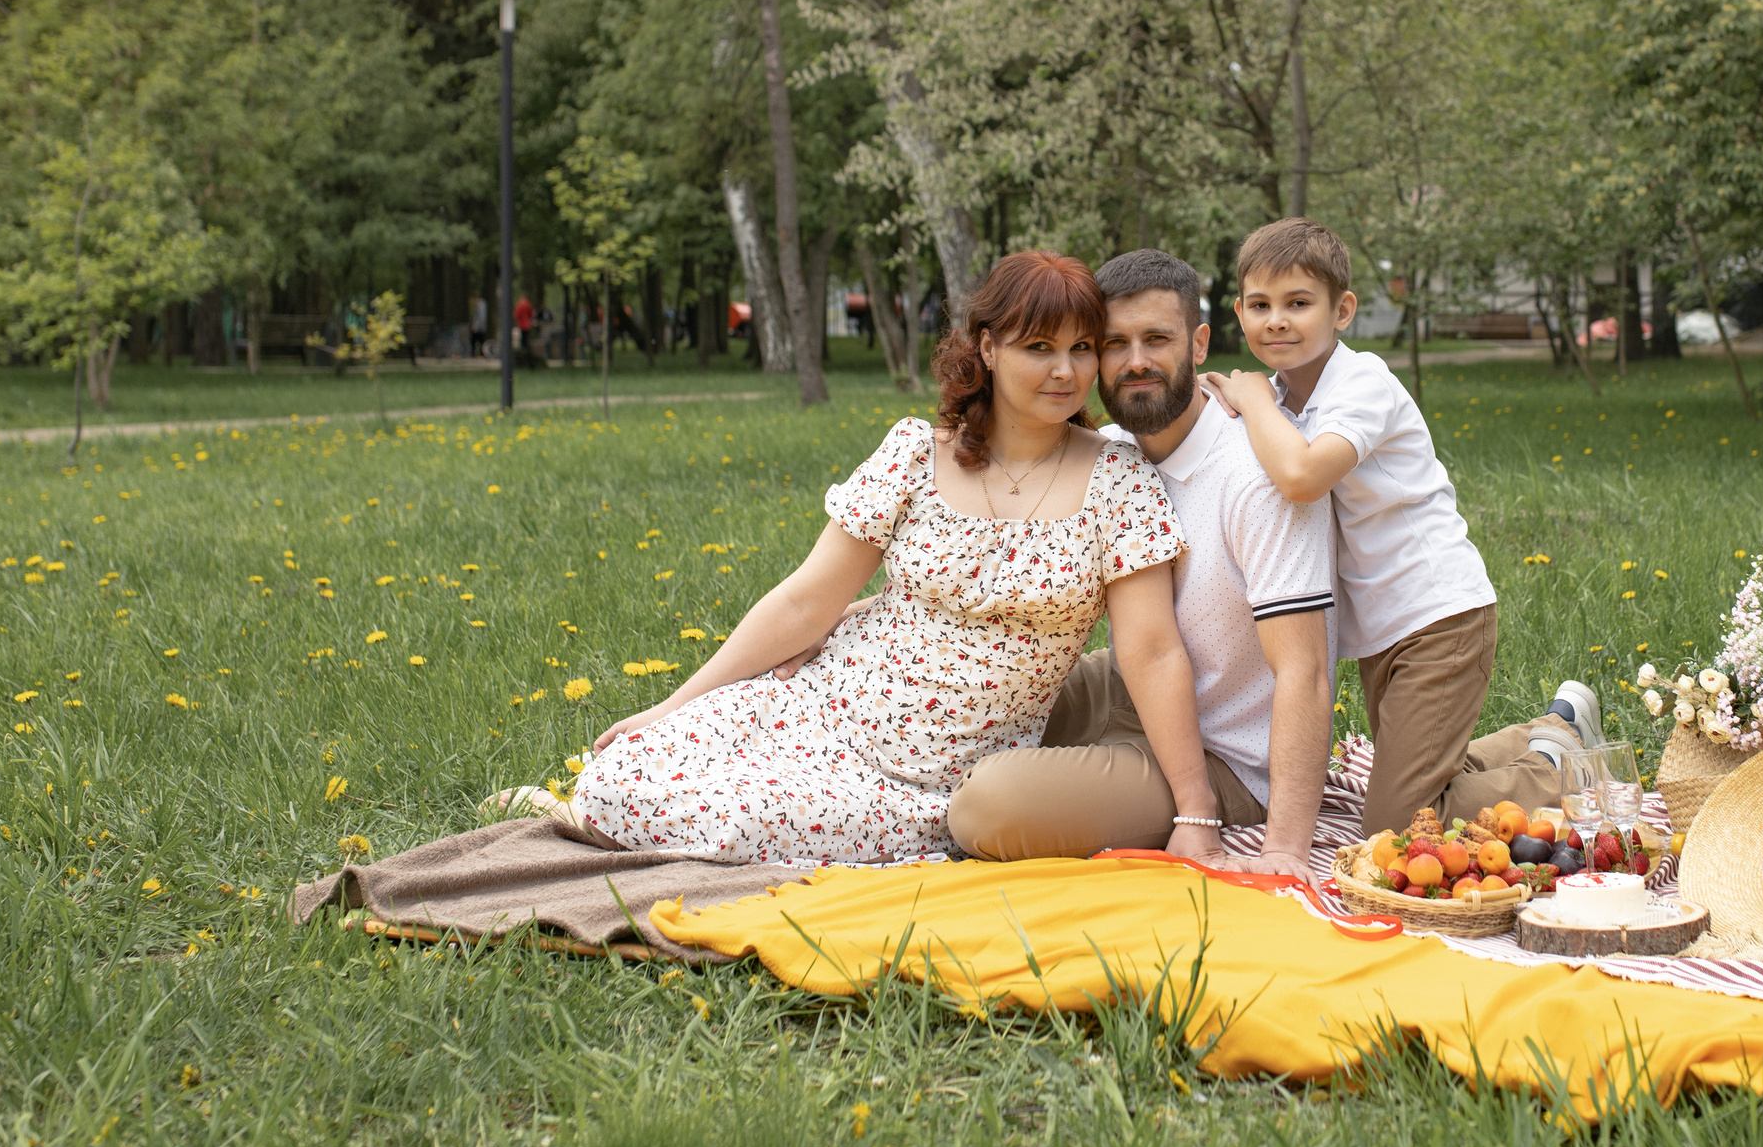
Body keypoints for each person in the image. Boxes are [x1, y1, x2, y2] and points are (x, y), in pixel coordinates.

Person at [489, 251, 1225, 865]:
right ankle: (594, 805)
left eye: (1081, 349)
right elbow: (806, 598)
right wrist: (674, 703)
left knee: (733, 818)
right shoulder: (915, 454)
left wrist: (1195, 810)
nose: (1064, 371)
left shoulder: (1119, 481)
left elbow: (1152, 649)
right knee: (629, 764)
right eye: (1039, 348)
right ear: (989, 348)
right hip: (828, 700)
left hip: (933, 776)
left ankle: (597, 817)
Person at [947, 249, 1338, 880]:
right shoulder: (1114, 453)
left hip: (1224, 755)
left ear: (1199, 344)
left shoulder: (1255, 477)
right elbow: (986, 578)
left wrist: (1287, 851)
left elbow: (1306, 672)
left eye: (1156, 339)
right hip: (1125, 687)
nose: (1135, 362)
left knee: (986, 808)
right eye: (1113, 344)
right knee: (950, 710)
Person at [1204, 218, 1596, 832]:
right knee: (1415, 783)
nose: (1276, 320)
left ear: (1343, 310)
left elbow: (1303, 476)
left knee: (1397, 823)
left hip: (1437, 614)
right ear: (1239, 313)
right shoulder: (1277, 400)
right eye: (1260, 305)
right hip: (1380, 630)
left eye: (1298, 303)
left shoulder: (1363, 382)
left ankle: (1562, 769)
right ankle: (1549, 732)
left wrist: (1251, 400)